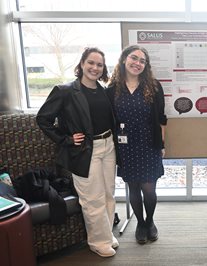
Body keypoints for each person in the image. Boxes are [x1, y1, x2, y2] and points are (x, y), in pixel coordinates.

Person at [36, 47, 119, 257]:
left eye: (99, 64)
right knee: (93, 198)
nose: (95, 67)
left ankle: (106, 234)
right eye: (91, 62)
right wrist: (65, 139)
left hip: (108, 146)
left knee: (109, 193)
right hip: (84, 150)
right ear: (82, 64)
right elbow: (43, 119)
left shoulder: (103, 90)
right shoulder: (65, 91)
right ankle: (98, 242)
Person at [106, 45, 167, 244]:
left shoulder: (154, 86)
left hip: (150, 144)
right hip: (125, 146)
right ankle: (140, 223)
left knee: (149, 188)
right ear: (124, 59)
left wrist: (162, 144)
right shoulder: (112, 89)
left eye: (142, 61)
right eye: (134, 58)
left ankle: (150, 221)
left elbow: (161, 119)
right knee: (133, 188)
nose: (137, 63)